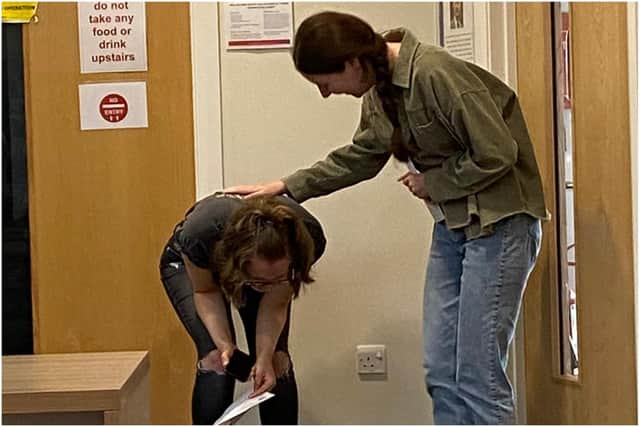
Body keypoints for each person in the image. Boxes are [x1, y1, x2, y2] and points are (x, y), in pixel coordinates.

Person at [224, 11, 548, 425]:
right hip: (455, 227)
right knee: (441, 372)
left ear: (352, 63)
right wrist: (285, 186)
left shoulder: (434, 73)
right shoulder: (379, 91)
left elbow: (499, 152)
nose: (326, 94)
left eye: (325, 82)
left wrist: (436, 182)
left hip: (501, 224)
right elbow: (361, 156)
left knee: (477, 374)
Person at [159, 193, 326, 425]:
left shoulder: (307, 238)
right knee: (216, 361)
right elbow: (205, 292)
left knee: (276, 363)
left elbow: (275, 304)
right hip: (190, 262)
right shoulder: (200, 233)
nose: (266, 288)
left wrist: (265, 356)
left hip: (256, 264)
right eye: (259, 282)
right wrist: (225, 345)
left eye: (277, 278)